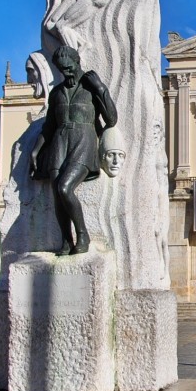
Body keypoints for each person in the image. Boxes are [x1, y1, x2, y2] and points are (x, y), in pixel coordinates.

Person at [30, 45, 118, 255]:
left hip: (83, 141)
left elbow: (112, 119)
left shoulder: (90, 89)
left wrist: (100, 88)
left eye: (69, 68)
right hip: (59, 142)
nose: (66, 72)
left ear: (77, 63)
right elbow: (49, 126)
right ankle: (66, 241)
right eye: (62, 69)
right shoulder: (57, 93)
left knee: (64, 188)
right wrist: (35, 151)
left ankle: (83, 234)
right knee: (55, 193)